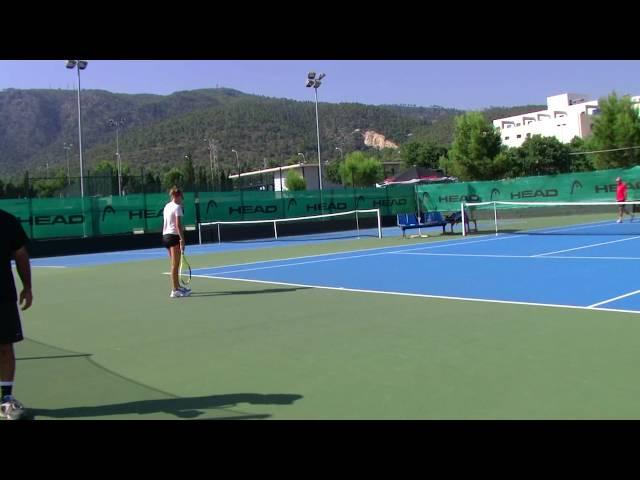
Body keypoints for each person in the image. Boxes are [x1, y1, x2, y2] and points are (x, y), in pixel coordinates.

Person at [0, 209, 32, 420]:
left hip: (2, 297)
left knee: (4, 347)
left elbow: (20, 254)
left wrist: (27, 287)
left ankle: (5, 400)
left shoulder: (7, 221)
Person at [162, 186, 191, 298]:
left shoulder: (166, 206)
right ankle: (174, 290)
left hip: (165, 237)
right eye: (181, 197)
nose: (181, 200)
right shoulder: (177, 207)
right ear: (177, 196)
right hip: (173, 237)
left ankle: (178, 287)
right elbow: (178, 225)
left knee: (176, 264)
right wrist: (182, 240)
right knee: (175, 265)